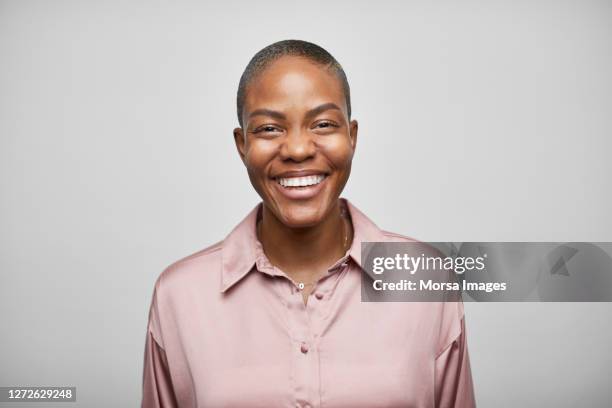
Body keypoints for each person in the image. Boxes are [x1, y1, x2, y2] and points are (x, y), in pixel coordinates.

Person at [141, 39, 476, 408]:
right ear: (242, 146)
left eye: (323, 124)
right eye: (269, 128)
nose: (298, 149)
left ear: (352, 137)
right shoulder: (180, 295)